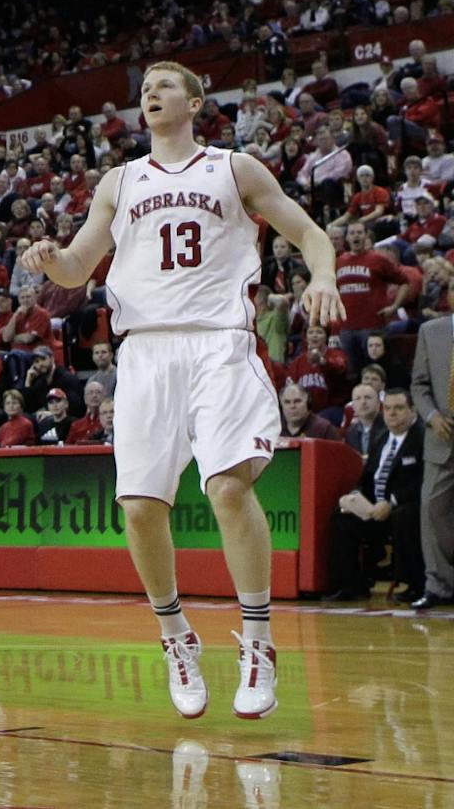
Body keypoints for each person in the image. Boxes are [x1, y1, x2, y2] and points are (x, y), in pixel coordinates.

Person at [25, 61, 343, 720]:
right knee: (140, 507)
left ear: (195, 102)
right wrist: (52, 260)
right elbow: (80, 265)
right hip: (145, 352)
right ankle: (176, 635)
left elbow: (309, 232)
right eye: (144, 88)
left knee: (228, 484)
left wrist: (325, 276)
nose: (151, 94)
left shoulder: (235, 168)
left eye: (165, 86)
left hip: (218, 339)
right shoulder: (120, 180)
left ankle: (258, 639)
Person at [330, 389, 427, 600]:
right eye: (388, 408)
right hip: (374, 508)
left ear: (413, 411)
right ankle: (351, 584)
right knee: (343, 515)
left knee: (406, 515)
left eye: (399, 408)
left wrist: (391, 502)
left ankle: (413, 585)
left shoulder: (422, 438)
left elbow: (424, 481)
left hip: (406, 507)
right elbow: (366, 479)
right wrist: (355, 496)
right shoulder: (381, 438)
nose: (392, 413)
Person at [407, 314, 454, 609]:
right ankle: (439, 585)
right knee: (432, 509)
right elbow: (419, 385)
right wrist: (432, 416)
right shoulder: (430, 331)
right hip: (442, 436)